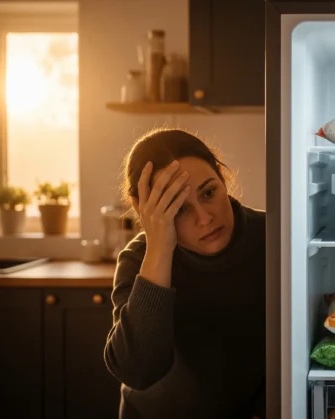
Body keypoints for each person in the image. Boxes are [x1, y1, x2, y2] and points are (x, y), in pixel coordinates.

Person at [104, 128, 266, 419]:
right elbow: (138, 372)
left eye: (208, 192)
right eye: (178, 209)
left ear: (222, 178)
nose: (205, 218)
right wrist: (160, 250)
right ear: (147, 212)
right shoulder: (139, 258)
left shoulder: (273, 237)